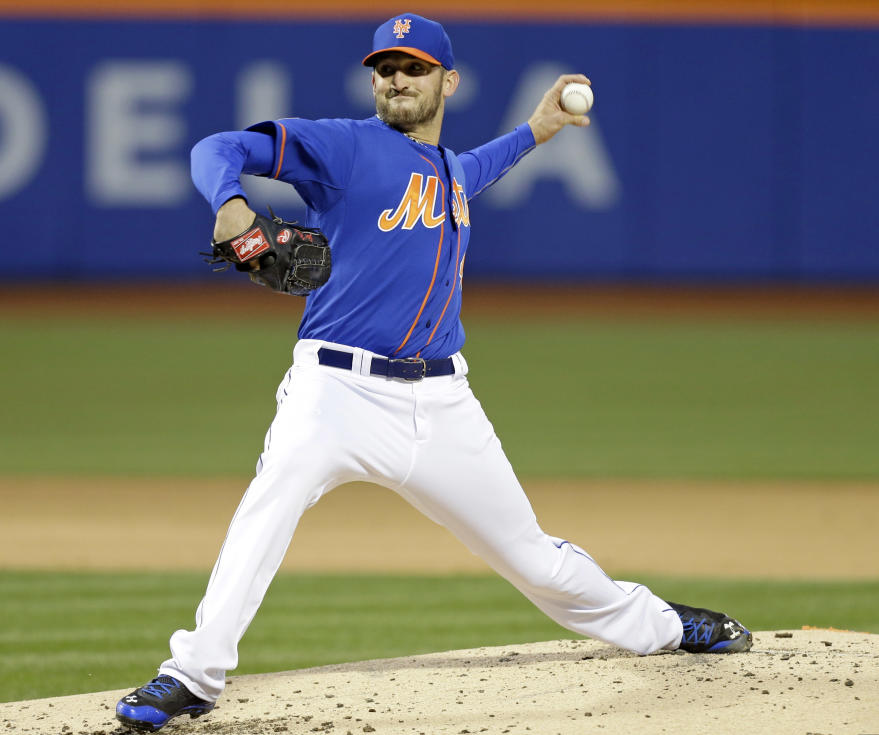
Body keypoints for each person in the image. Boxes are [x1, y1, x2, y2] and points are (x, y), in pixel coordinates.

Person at [115, 13, 752, 732]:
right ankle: (191, 674)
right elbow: (215, 147)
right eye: (385, 66)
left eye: (414, 67)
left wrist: (537, 131)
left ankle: (661, 624)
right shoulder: (344, 146)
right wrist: (230, 203)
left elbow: (476, 169)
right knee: (267, 508)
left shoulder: (447, 170)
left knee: (534, 560)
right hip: (336, 391)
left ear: (446, 81)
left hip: (444, 403)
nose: (396, 78)